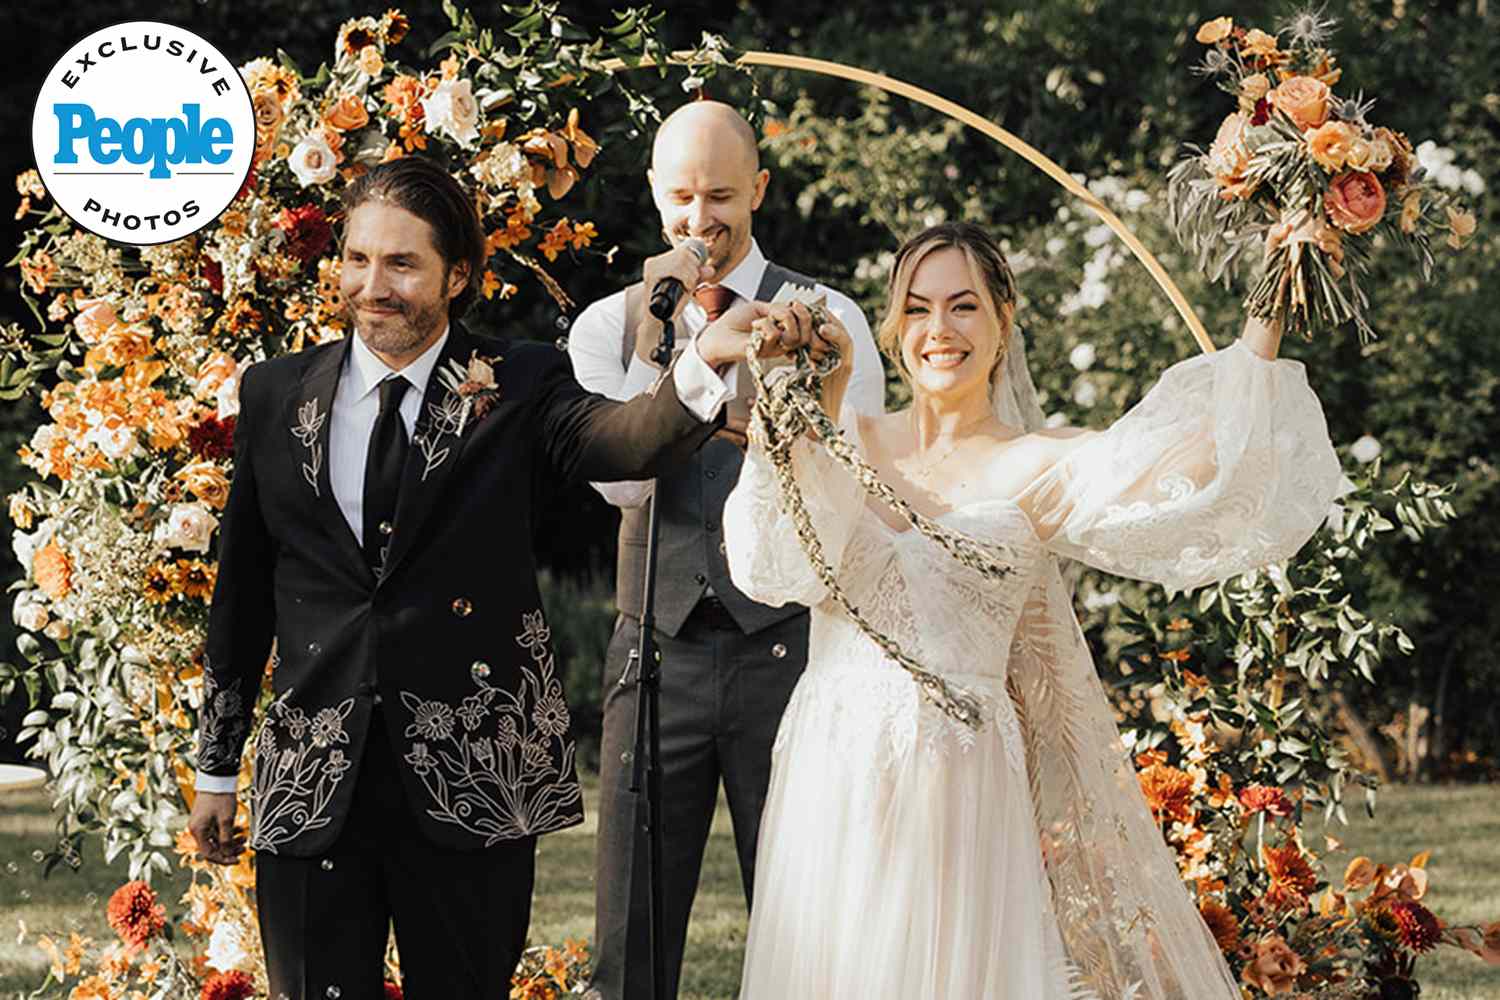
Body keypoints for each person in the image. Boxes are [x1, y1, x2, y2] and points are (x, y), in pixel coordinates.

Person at [184, 155, 828, 1000]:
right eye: (357, 259)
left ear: (457, 276)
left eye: (401, 264)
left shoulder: (521, 381)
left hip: (476, 773)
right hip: (313, 779)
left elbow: (626, 441)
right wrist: (217, 769)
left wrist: (705, 354)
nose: (372, 286)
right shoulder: (275, 393)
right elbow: (242, 590)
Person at [723, 221, 1347, 997]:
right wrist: (821, 397)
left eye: (963, 306)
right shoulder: (842, 434)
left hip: (957, 775)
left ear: (1003, 319)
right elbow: (769, 566)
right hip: (832, 758)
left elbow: (1212, 467)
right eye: (916, 308)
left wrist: (1271, 297)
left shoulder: (1040, 463)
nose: (938, 329)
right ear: (890, 326)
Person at [567, 100, 884, 999]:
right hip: (653, 651)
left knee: (812, 915)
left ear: (759, 190)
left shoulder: (829, 315)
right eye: (681, 196)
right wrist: (669, 341)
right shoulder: (605, 326)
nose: (698, 218)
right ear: (654, 194)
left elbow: (858, 485)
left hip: (788, 645)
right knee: (631, 926)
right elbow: (621, 484)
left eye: (719, 195)